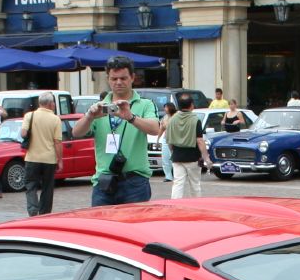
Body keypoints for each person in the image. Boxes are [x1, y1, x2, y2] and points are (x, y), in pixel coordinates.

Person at [72, 55, 159, 206]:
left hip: (135, 181)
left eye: (123, 78)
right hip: (104, 180)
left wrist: (131, 117)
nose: (118, 82)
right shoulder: (99, 107)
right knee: (101, 226)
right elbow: (76, 132)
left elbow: (154, 129)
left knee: (133, 227)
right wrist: (89, 117)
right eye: (114, 79)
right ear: (108, 79)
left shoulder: (145, 104)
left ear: (132, 78)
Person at [21, 92, 63, 216]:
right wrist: (60, 160)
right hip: (49, 159)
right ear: (51, 104)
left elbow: (23, 134)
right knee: (47, 188)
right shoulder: (56, 119)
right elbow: (58, 142)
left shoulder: (30, 115)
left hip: (32, 158)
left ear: (39, 103)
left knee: (30, 185)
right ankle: (45, 213)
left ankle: (33, 209)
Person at [165, 92, 209, 199]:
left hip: (177, 156)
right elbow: (199, 140)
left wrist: (173, 153)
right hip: (193, 157)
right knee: (195, 184)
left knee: (178, 184)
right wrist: (206, 157)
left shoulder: (172, 120)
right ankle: (196, 207)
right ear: (191, 105)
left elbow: (169, 141)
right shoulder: (195, 120)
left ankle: (175, 206)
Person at [157, 101, 179, 182]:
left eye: (166, 107)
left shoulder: (177, 115)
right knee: (165, 158)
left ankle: (177, 175)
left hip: (176, 140)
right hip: (166, 139)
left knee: (175, 158)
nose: (164, 109)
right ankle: (168, 176)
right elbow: (162, 128)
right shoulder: (165, 117)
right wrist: (158, 138)